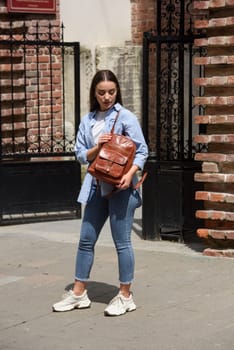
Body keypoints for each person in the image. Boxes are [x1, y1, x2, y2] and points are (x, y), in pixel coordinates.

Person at [52, 69, 148, 316]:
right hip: (95, 185)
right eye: (101, 92)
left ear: (117, 91)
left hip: (121, 188)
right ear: (94, 93)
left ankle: (125, 295)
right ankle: (78, 292)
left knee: (122, 242)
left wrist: (129, 175)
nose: (107, 97)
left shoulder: (125, 117)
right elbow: (80, 155)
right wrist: (98, 147)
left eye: (111, 92)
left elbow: (142, 151)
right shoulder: (88, 120)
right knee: (86, 240)